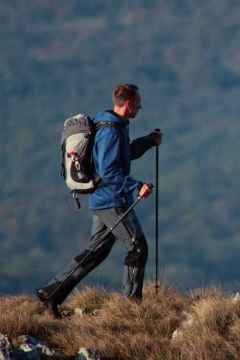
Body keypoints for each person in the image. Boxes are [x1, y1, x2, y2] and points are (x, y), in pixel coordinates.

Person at [36, 84, 163, 317]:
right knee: (137, 247)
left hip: (106, 199)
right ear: (128, 104)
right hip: (111, 200)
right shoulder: (110, 131)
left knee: (95, 253)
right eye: (138, 103)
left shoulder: (116, 126)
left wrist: (148, 141)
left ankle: (50, 294)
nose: (140, 106)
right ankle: (131, 309)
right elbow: (108, 172)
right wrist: (137, 187)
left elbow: (125, 154)